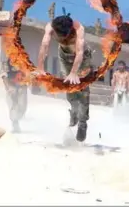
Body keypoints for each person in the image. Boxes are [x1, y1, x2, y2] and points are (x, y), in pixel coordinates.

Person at [35, 14, 92, 142]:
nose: (61, 38)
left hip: (82, 58)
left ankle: (83, 122)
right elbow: (44, 46)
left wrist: (74, 72)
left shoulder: (78, 29)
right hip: (65, 56)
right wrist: (40, 67)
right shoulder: (50, 27)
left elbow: (80, 53)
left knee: (82, 90)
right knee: (69, 87)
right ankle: (74, 113)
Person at [1, 58, 28, 133]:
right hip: (11, 87)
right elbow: (4, 76)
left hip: (22, 88)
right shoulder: (7, 64)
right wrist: (8, 88)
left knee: (22, 106)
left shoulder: (23, 61)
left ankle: (17, 118)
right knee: (13, 106)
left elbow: (27, 75)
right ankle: (15, 123)